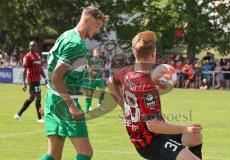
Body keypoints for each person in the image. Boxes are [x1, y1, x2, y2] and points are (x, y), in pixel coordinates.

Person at [107, 31, 203, 160]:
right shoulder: (147, 87)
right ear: (153, 54)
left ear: (134, 52)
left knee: (195, 137)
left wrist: (124, 106)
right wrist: (185, 128)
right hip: (151, 142)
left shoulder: (128, 71)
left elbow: (110, 82)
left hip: (148, 135)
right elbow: (153, 125)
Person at [40, 6, 108, 160]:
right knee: (86, 152)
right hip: (64, 101)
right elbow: (56, 76)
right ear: (86, 20)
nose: (97, 31)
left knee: (54, 154)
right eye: (97, 26)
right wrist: (71, 105)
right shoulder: (75, 43)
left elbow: (57, 73)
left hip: (54, 97)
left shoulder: (68, 35)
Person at [14, 41, 46, 122]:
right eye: (32, 46)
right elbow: (25, 70)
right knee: (38, 97)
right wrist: (23, 83)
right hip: (32, 81)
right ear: (29, 47)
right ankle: (40, 118)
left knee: (31, 98)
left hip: (37, 81)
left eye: (35, 46)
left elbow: (40, 68)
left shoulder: (37, 55)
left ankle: (18, 114)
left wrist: (45, 77)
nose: (34, 47)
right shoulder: (27, 57)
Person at [82, 48, 105, 112]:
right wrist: (92, 72)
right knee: (90, 94)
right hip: (92, 79)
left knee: (103, 90)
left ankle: (100, 104)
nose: (97, 53)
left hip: (99, 79)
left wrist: (103, 70)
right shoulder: (90, 60)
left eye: (98, 52)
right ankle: (89, 107)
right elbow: (86, 67)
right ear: (93, 53)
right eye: (96, 52)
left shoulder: (101, 60)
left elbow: (103, 67)